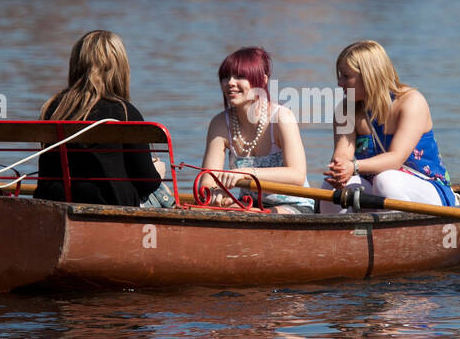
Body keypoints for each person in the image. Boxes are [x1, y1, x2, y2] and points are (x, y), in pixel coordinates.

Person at [33, 30, 173, 208]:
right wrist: (158, 173)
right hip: (109, 207)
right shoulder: (125, 112)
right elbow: (146, 183)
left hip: (52, 202)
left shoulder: (52, 108)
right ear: (120, 68)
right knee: (162, 195)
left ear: (76, 65)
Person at [321, 40, 458, 212]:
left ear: (369, 75)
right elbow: (342, 157)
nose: (339, 83)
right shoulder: (346, 109)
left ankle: (401, 235)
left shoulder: (411, 102)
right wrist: (339, 171)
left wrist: (354, 166)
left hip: (427, 188)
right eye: (340, 75)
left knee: (386, 180)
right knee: (332, 188)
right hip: (375, 189)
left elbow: (396, 159)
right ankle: (341, 236)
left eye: (346, 76)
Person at [200, 46, 312, 213]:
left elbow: (297, 175)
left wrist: (245, 173)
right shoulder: (220, 123)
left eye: (240, 76)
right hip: (248, 204)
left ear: (263, 80)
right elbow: (207, 180)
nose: (230, 83)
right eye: (225, 77)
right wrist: (215, 193)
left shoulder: (282, 117)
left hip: (294, 205)